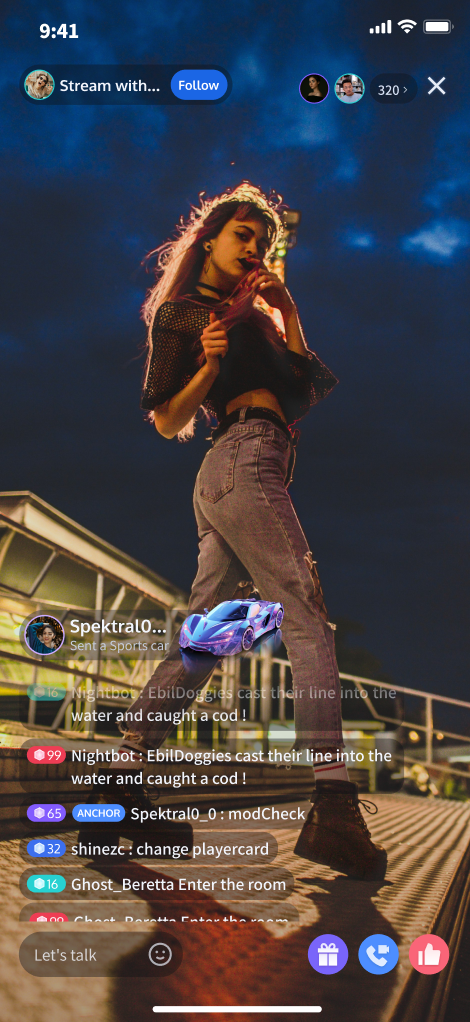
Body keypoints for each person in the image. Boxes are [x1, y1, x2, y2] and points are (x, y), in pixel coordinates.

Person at [112, 182, 386, 880]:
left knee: (205, 642)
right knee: (306, 617)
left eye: (263, 241)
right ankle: (334, 804)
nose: (254, 249)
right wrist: (207, 365)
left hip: (244, 470)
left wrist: (287, 311)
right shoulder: (183, 312)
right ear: (208, 238)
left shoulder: (260, 315)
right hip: (241, 460)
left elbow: (303, 386)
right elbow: (167, 420)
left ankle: (117, 784)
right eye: (243, 235)